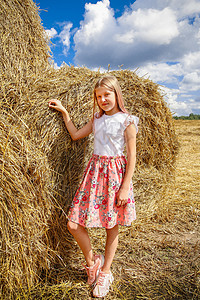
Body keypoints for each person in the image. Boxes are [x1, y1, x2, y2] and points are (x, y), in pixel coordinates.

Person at [48, 75, 139, 298]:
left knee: (112, 225)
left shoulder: (127, 120)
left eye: (107, 94)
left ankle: (106, 272)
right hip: (94, 174)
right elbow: (76, 135)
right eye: (98, 96)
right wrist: (64, 113)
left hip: (115, 177)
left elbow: (132, 156)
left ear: (116, 94)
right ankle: (92, 262)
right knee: (73, 223)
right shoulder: (97, 119)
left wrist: (125, 187)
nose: (103, 99)